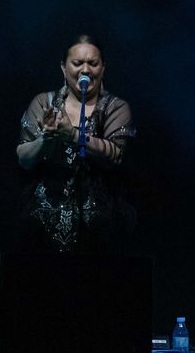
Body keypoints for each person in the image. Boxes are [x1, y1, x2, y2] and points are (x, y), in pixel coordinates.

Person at [16, 34, 136, 253]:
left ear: (103, 68)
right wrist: (46, 139)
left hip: (100, 227)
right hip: (42, 224)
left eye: (93, 63)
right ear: (63, 68)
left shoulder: (116, 107)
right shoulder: (44, 103)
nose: (85, 70)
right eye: (77, 63)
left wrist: (73, 136)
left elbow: (116, 155)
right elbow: (23, 159)